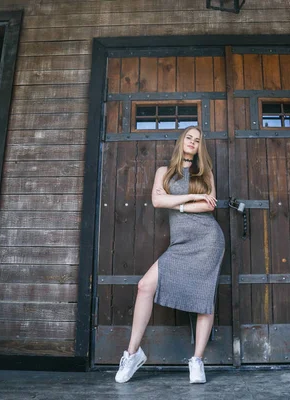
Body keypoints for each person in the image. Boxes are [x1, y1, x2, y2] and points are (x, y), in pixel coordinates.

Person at [115, 126, 225, 384]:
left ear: (200, 147)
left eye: (197, 140)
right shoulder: (163, 172)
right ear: (181, 141)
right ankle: (132, 354)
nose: (192, 142)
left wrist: (177, 202)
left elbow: (209, 204)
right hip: (180, 243)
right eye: (189, 137)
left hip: (208, 239)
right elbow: (157, 202)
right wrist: (190, 198)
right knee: (145, 286)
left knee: (204, 297)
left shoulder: (205, 172)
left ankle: (197, 360)